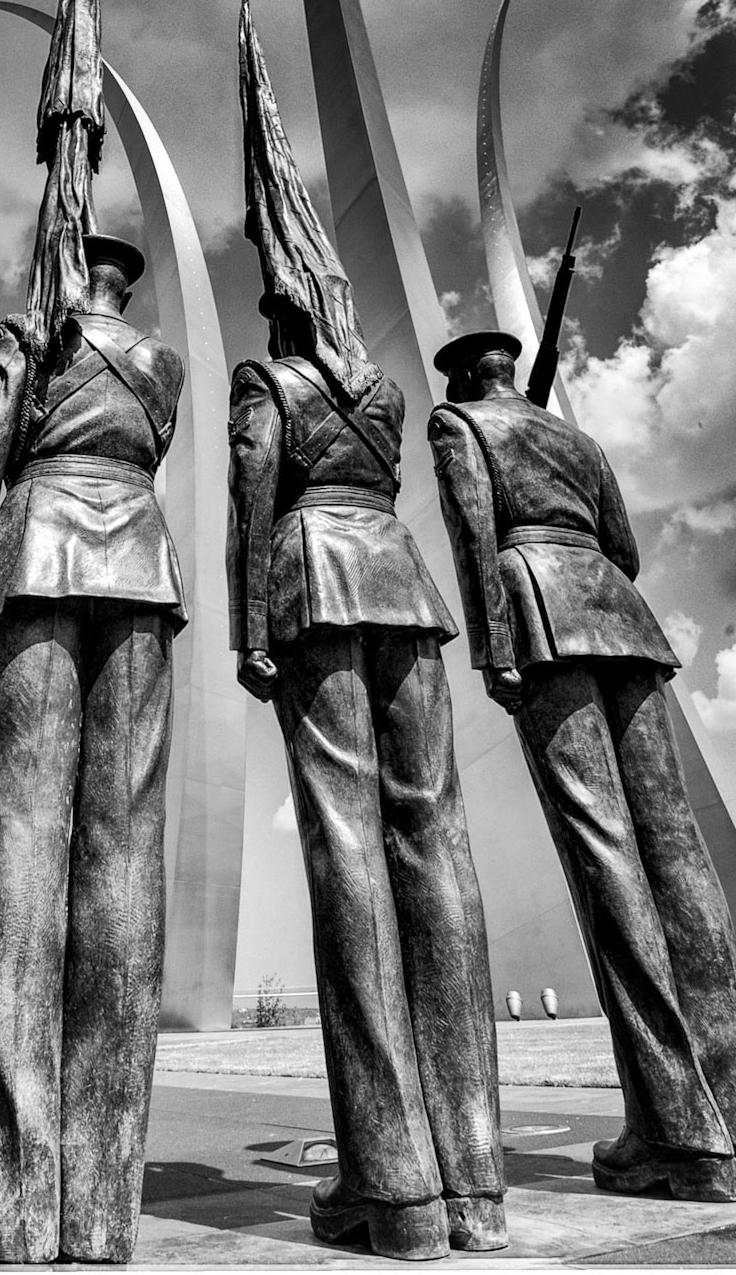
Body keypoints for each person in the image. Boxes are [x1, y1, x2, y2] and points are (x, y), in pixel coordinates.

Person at [428, 331, 736, 1205]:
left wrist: (495, 647)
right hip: (619, 611)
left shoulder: (459, 426)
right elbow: (625, 547)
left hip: (542, 611)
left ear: (464, 375)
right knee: (679, 854)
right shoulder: (578, 440)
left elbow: (475, 536)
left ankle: (678, 1130)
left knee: (603, 851)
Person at [230, 298, 507, 1262]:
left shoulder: (270, 383)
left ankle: (392, 1184)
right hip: (401, 580)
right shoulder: (386, 390)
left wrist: (249, 630)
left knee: (346, 843)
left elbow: (253, 503)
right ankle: (475, 1183)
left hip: (315, 577)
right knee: (437, 842)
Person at [0, 233, 185, 1265]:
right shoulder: (164, 362)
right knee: (125, 852)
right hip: (142, 566)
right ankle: (99, 1214)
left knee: (22, 840)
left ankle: (9, 1212)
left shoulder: (26, 334)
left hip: (37, 550)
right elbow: (151, 451)